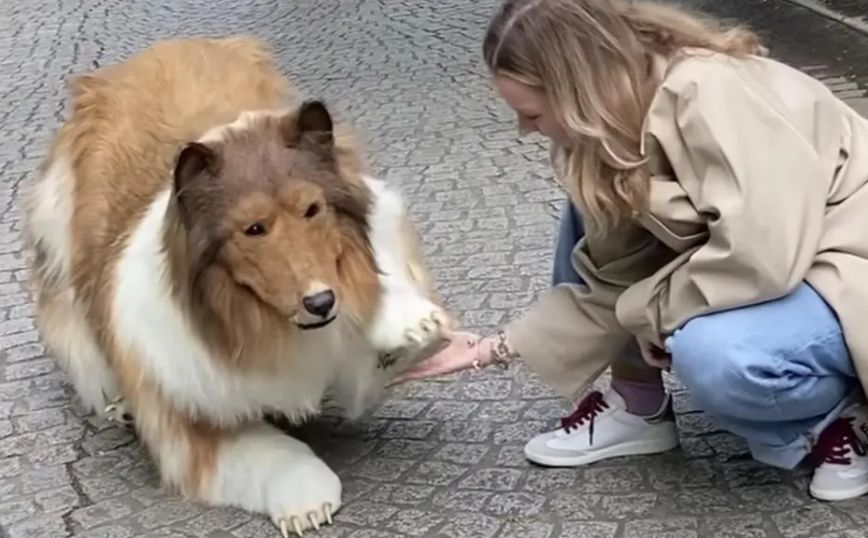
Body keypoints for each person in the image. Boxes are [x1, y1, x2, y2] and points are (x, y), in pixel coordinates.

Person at [391, 0, 868, 502]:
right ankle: (636, 404)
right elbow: (611, 275)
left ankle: (836, 416)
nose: (525, 129)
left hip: (847, 262)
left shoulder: (711, 91)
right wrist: (495, 348)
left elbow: (762, 255)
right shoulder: (612, 132)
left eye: (531, 113)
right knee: (590, 214)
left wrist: (651, 311)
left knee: (720, 355)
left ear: (579, 91)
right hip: (786, 263)